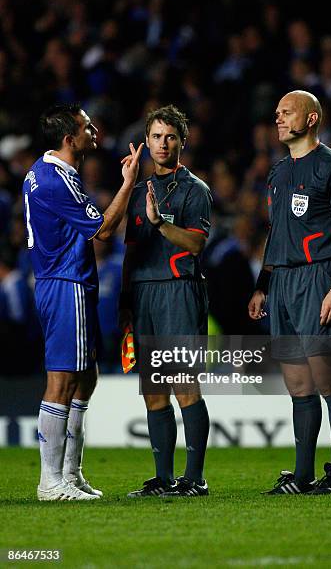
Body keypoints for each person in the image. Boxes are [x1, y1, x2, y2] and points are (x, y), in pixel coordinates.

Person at [23, 102, 142, 501]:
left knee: (85, 377)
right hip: (66, 282)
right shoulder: (58, 180)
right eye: (88, 127)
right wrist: (129, 183)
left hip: (67, 281)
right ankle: (51, 482)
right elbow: (104, 230)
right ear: (70, 139)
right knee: (62, 381)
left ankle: (70, 476)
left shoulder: (41, 172)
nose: (95, 131)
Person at [248, 90, 331, 494]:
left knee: (330, 380)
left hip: (318, 280)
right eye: (276, 112)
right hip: (281, 284)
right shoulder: (278, 172)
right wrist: (263, 285)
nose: (277, 118)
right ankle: (301, 476)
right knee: (298, 384)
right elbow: (276, 232)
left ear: (311, 119)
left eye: (286, 112)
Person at [120, 105, 211, 497]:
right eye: (156, 136)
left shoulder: (195, 190)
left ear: (182, 142)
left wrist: (160, 223)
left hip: (178, 291)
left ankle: (195, 479)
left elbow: (195, 244)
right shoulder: (137, 192)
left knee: (184, 385)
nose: (162, 144)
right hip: (142, 295)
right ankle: (163, 479)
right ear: (146, 141)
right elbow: (129, 251)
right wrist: (125, 304)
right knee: (153, 390)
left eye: (170, 136)